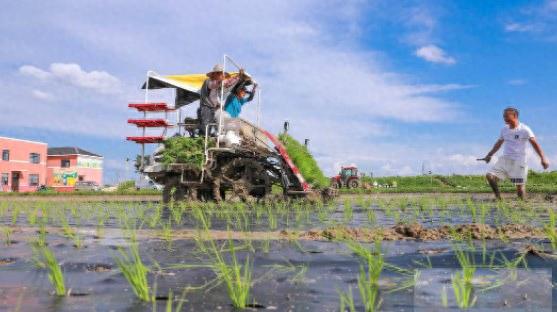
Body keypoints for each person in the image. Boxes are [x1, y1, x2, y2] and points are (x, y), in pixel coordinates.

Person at [478, 107, 549, 200]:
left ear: (514, 115)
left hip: (519, 161)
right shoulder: (504, 130)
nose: (504, 118)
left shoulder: (524, 129)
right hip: (505, 160)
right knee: (490, 176)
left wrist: (543, 158)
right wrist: (489, 155)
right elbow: (498, 144)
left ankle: (522, 205)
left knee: (519, 188)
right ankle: (498, 198)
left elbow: (535, 144)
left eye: (506, 116)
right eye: (503, 117)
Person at [198, 64, 244, 135]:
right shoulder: (208, 81)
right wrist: (220, 81)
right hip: (206, 107)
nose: (222, 76)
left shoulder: (219, 84)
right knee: (206, 128)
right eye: (220, 74)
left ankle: (223, 135)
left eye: (222, 74)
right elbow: (213, 85)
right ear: (215, 74)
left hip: (215, 108)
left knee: (226, 116)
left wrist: (238, 76)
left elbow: (228, 83)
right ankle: (204, 139)